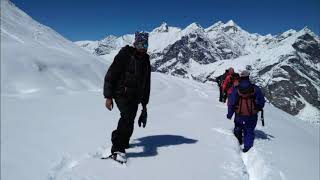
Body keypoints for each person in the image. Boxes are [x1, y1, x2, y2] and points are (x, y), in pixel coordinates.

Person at [103, 32, 151, 162]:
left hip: (135, 96)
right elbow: (111, 75)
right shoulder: (125, 55)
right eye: (140, 44)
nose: (142, 47)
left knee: (130, 120)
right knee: (127, 117)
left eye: (145, 44)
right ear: (135, 44)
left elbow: (147, 83)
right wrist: (108, 96)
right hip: (121, 94)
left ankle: (122, 141)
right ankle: (117, 149)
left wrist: (144, 106)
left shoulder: (146, 59)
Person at [226, 70, 265, 153]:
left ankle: (238, 141)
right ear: (248, 77)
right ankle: (247, 148)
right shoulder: (255, 88)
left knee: (238, 127)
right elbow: (261, 101)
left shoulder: (236, 89)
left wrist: (229, 114)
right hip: (251, 114)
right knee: (249, 130)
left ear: (241, 77)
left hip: (239, 114)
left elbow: (231, 103)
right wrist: (257, 109)